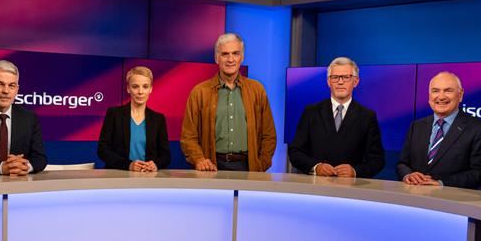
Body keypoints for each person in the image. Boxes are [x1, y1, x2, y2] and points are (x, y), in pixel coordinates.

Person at [180, 33, 276, 172]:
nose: (230, 59)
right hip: (212, 167)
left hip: (249, 167)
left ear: (241, 58)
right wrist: (199, 160)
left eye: (235, 53)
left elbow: (269, 134)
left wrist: (260, 164)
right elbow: (188, 136)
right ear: (216, 58)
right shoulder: (200, 92)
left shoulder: (257, 90)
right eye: (225, 54)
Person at [288, 56, 384, 177]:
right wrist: (316, 167)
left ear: (356, 81)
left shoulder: (367, 116)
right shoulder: (311, 112)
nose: (340, 82)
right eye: (335, 77)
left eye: (346, 77)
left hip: (350, 189)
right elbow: (295, 151)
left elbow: (377, 160)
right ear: (328, 82)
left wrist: (355, 171)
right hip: (316, 187)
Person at [396, 71, 481, 188]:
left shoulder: (478, 129)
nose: (441, 96)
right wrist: (408, 175)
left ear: (460, 94)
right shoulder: (416, 126)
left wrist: (441, 183)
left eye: (448, 90)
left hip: (452, 202)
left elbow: (480, 173)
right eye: (435, 91)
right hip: (414, 199)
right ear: (429, 96)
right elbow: (402, 163)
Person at [98, 66, 170, 171]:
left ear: (151, 89)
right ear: (128, 88)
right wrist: (128, 165)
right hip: (118, 176)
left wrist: (156, 165)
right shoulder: (114, 114)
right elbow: (102, 150)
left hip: (148, 178)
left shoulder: (158, 119)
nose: (140, 92)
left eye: (145, 86)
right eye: (135, 86)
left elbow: (166, 156)